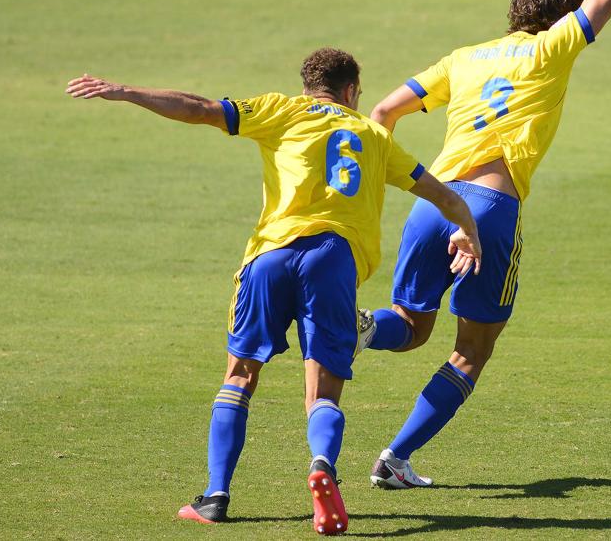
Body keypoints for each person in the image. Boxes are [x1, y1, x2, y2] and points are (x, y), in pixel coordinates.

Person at [65, 47, 481, 535]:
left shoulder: (280, 109)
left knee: (240, 375)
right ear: (351, 92)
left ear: (309, 86)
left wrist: (125, 91)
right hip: (334, 260)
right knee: (324, 389)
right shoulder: (373, 135)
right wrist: (466, 229)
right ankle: (322, 466)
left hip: (271, 255)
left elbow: (198, 108)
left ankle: (216, 496)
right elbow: (443, 194)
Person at [359, 0, 611, 488]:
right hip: (488, 209)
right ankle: (394, 459)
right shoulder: (551, 49)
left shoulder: (465, 58)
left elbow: (382, 111)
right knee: (470, 351)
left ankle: (358, 329)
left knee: (408, 325)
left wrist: (378, 188)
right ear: (561, 18)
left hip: (434, 203)